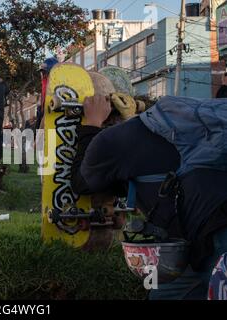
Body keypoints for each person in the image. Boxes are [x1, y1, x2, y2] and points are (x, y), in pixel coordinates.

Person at [71, 94, 227, 300]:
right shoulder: (180, 126)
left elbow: (82, 183)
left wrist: (90, 125)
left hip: (211, 241)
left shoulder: (110, 141)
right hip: (200, 240)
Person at [37, 57, 59, 130]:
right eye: (42, 72)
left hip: (52, 116)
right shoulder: (45, 81)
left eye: (44, 72)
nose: (43, 74)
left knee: (50, 140)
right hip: (43, 112)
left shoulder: (57, 84)